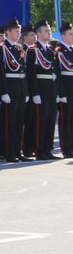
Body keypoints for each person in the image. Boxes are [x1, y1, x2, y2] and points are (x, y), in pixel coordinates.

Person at [26, 20, 60, 160]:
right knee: (41, 122)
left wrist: (57, 92)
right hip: (41, 91)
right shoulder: (33, 50)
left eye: (49, 30)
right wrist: (35, 93)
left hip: (51, 91)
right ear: (38, 33)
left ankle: (47, 149)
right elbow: (31, 74)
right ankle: (39, 150)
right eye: (46, 30)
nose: (49, 32)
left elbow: (55, 73)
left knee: (51, 122)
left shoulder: (50, 50)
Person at [0, 19, 29, 162]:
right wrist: (3, 92)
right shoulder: (2, 48)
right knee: (9, 123)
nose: (19, 33)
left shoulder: (19, 48)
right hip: (10, 89)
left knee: (19, 123)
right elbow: (0, 73)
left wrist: (26, 91)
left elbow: (24, 71)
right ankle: (9, 152)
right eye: (16, 31)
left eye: (19, 31)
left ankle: (18, 150)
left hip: (21, 89)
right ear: (8, 32)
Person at [55, 22, 73, 157]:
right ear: (63, 36)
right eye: (70, 34)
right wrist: (61, 93)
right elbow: (57, 74)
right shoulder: (58, 51)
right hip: (66, 89)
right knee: (66, 120)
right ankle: (66, 148)